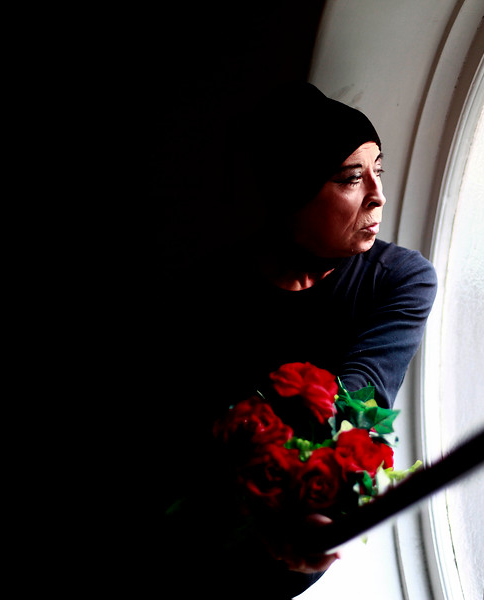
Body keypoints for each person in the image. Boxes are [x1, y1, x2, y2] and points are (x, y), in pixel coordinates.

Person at [145, 82, 437, 599]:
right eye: (352, 178)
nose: (378, 194)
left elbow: (362, 393)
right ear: (292, 194)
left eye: (379, 170)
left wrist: (314, 508)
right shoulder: (206, 294)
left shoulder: (399, 280)